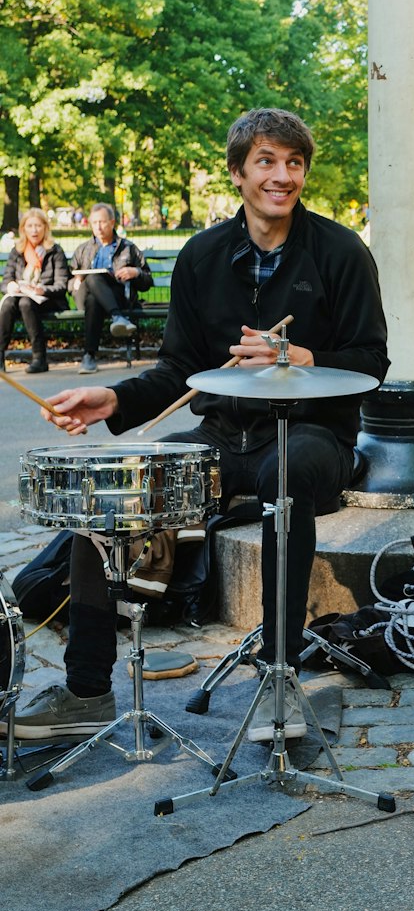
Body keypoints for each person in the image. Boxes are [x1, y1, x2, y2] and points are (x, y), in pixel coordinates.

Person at [16, 108, 389, 745]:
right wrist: (110, 398)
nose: (283, 175)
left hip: (313, 438)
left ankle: (280, 674)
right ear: (238, 172)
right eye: (267, 162)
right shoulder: (202, 257)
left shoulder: (340, 252)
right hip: (222, 438)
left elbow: (371, 360)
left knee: (289, 471)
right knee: (112, 485)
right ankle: (86, 691)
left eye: (294, 162)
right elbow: (180, 370)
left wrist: (301, 358)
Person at [71, 203, 153, 373]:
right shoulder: (82, 250)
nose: (98, 227)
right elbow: (68, 281)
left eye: (102, 222)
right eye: (94, 223)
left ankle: (89, 356)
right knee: (93, 280)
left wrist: (135, 272)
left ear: (112, 222)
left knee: (94, 300)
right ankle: (118, 318)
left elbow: (147, 280)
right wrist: (75, 281)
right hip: (84, 295)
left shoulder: (128, 248)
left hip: (117, 295)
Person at [0, 208, 71, 373]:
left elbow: (62, 284)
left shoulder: (55, 250)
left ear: (45, 228)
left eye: (38, 226)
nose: (34, 230)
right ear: (23, 229)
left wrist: (42, 290)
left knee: (26, 303)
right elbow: (5, 281)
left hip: (49, 300)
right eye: (30, 226)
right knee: (9, 303)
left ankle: (39, 358)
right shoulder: (17, 251)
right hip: (21, 297)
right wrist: (10, 285)